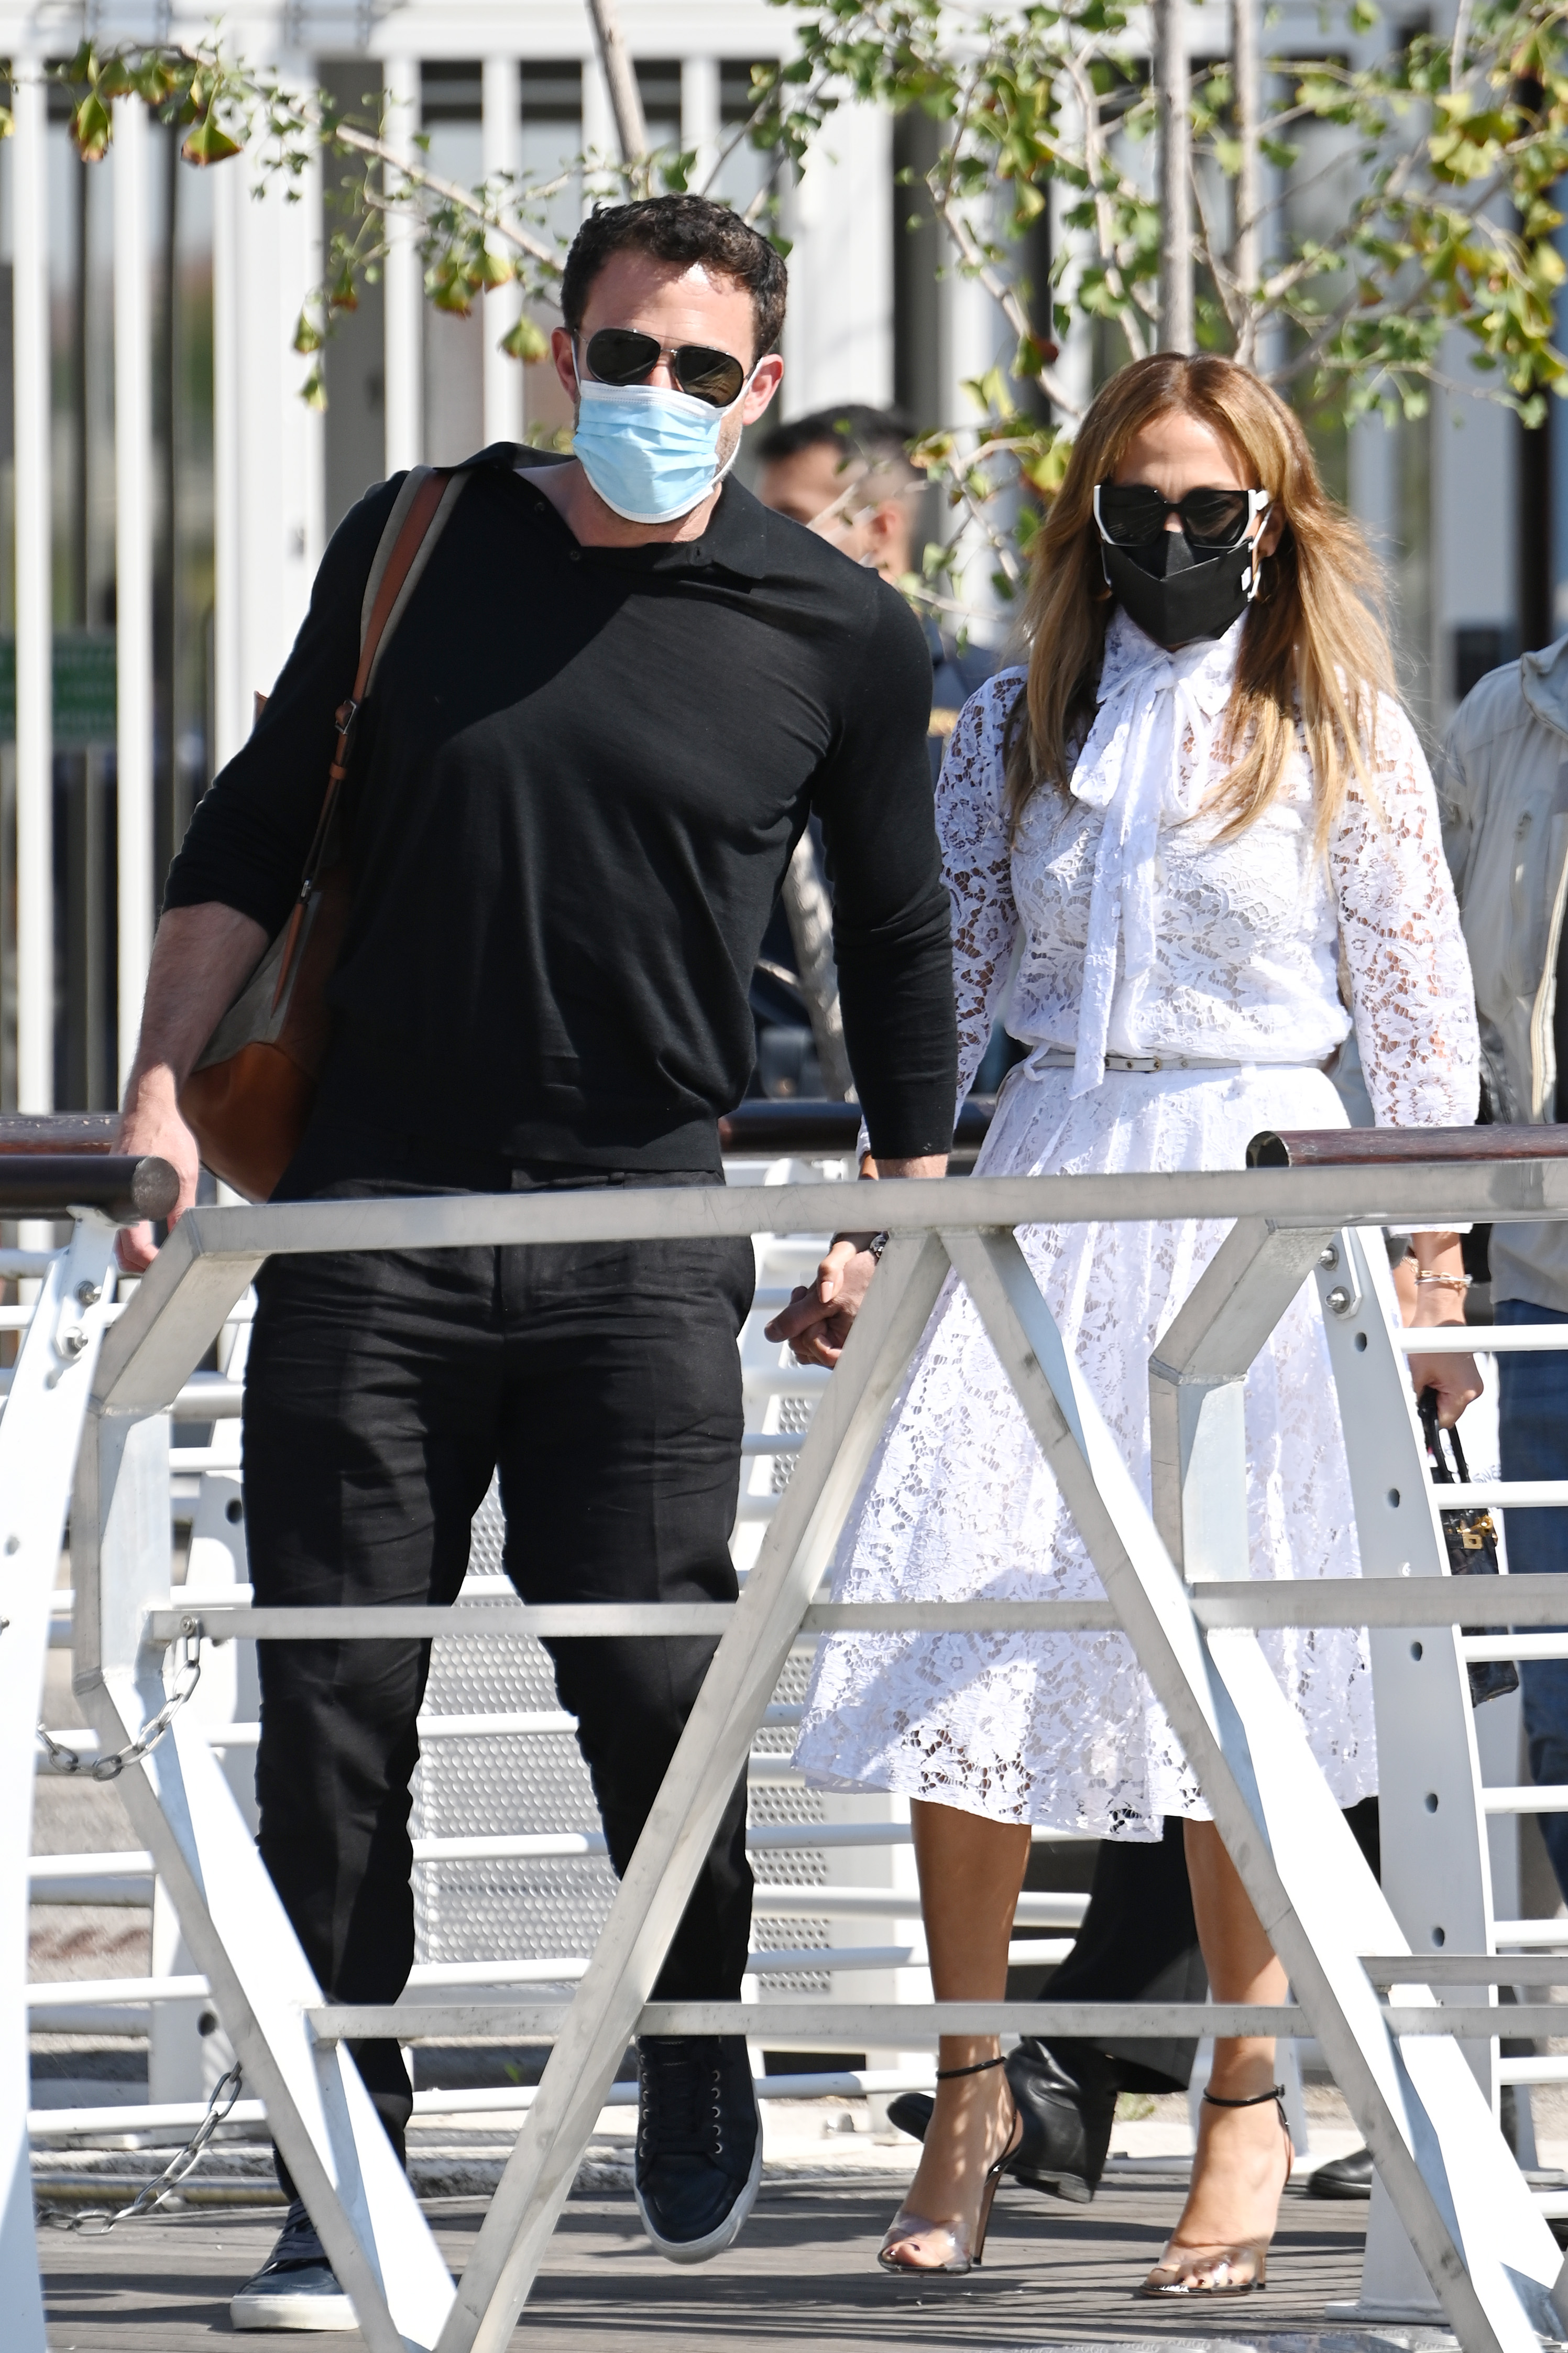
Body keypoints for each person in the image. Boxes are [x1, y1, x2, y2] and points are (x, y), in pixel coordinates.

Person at [114, 193, 957, 2328]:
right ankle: (343, 2166)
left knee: (657, 1688)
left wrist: (885, 1213)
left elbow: (895, 939)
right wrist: (158, 1090)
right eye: (623, 354)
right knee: (337, 1720)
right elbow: (252, 824)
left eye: (700, 368)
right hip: (372, 1218)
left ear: (758, 391)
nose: (655, 392)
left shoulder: (837, 629)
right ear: (560, 354)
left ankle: (694, 2034)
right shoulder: (419, 539)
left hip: (643, 1225)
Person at [771, 351, 1481, 2286]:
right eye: (1138, 503)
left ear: (1272, 520)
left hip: (1259, 1195)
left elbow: (1421, 1027)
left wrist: (1432, 1280)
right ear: (1090, 516)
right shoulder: (1016, 723)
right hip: (1051, 1183)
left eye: (1208, 507)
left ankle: (1245, 2102)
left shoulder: (1343, 729)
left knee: (1238, 1666)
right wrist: (870, 1226)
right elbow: (942, 1001)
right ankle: (974, 2084)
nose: (1172, 535)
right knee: (966, 1636)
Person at [1439, 638, 1568, 1901]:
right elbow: (1414, 1006)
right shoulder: (1505, 717)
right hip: (1545, 1284)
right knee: (1559, 1712)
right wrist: (1426, 1260)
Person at [755, 404, 994, 766]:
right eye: (760, 520)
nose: (762, 540)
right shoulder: (751, 682)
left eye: (792, 518)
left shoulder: (991, 694)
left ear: (879, 529)